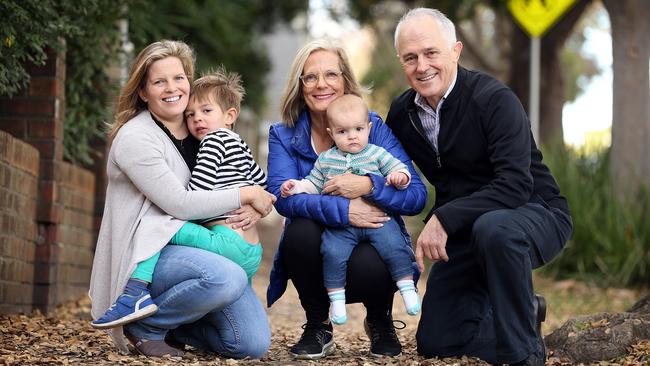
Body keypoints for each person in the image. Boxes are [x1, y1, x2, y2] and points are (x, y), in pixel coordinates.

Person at [386, 8, 573, 366]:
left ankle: (525, 355)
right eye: (410, 58)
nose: (421, 65)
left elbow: (516, 185)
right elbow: (386, 166)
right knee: (437, 340)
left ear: (455, 51)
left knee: (495, 229)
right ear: (401, 62)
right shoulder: (403, 114)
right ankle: (519, 310)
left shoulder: (493, 99)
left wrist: (442, 219)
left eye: (431, 53)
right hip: (466, 228)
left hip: (535, 212)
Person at [89, 40, 276, 359]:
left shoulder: (203, 131)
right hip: (150, 253)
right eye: (159, 81)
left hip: (204, 248)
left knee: (250, 343)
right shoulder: (136, 138)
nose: (171, 88)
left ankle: (175, 325)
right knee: (226, 277)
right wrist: (245, 194)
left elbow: (243, 178)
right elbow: (180, 204)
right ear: (144, 92)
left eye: (178, 78)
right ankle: (145, 326)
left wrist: (257, 205)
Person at [266, 39, 427, 360]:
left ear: (345, 81)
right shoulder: (282, 134)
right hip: (320, 243)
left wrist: (368, 186)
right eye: (310, 77)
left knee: (382, 248)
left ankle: (380, 319)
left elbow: (415, 195)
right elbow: (283, 198)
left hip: (371, 239)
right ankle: (318, 325)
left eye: (331, 75)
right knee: (298, 230)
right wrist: (344, 209)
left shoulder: (373, 127)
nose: (321, 84)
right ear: (299, 87)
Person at [280, 94, 421, 325]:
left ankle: (407, 289)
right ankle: (336, 300)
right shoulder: (326, 159)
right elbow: (313, 184)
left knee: (394, 247)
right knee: (332, 253)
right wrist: (294, 186)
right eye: (343, 132)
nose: (352, 136)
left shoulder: (377, 153)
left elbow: (400, 170)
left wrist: (399, 177)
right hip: (341, 228)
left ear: (368, 128)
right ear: (331, 133)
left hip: (378, 220)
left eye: (358, 129)